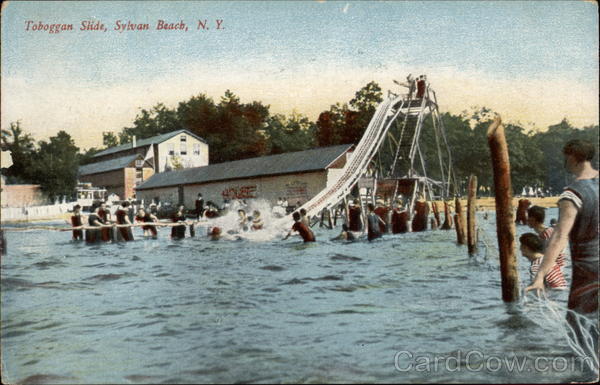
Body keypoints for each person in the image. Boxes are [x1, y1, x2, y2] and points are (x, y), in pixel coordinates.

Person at [525, 139, 599, 357]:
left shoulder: (572, 193)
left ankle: (586, 376)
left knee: (579, 328)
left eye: (565, 156)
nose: (564, 161)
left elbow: (559, 237)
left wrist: (540, 276)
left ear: (573, 157)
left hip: (588, 270)